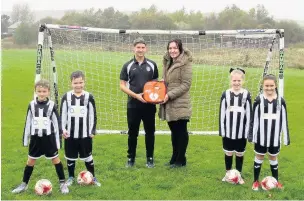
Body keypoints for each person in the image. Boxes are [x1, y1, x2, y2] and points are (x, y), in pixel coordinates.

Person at [12, 79, 69, 194]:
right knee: (30, 161)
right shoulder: (32, 105)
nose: (42, 93)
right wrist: (25, 140)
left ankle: (62, 183)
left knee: (56, 160)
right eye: (39, 91)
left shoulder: (52, 105)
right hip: (35, 140)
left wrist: (59, 140)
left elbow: (56, 122)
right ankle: (24, 184)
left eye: (44, 91)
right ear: (35, 91)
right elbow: (28, 122)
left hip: (49, 139)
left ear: (48, 92)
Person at [120, 37, 158, 168]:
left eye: (143, 47)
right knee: (132, 133)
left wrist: (154, 98)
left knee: (150, 132)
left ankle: (150, 159)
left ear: (146, 49)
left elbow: (155, 85)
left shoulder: (152, 65)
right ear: (134, 48)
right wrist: (136, 95)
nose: (140, 50)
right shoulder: (128, 65)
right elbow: (122, 85)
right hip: (133, 105)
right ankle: (131, 159)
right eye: (138, 47)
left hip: (149, 106)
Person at [248, 74, 290, 191]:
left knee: (273, 157)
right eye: (267, 85)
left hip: (274, 137)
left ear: (275, 85)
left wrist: (286, 138)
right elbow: (253, 119)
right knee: (259, 156)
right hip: (260, 137)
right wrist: (251, 135)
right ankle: (255, 181)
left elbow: (284, 121)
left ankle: (276, 181)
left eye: (271, 85)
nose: (269, 88)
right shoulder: (258, 100)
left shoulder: (281, 101)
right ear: (263, 85)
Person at [60, 71, 101, 186]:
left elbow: (93, 114)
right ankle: (71, 177)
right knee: (70, 157)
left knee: (87, 156)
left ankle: (92, 177)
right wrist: (62, 130)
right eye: (75, 83)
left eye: (80, 82)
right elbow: (62, 115)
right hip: (70, 134)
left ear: (84, 82)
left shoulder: (89, 97)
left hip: (85, 134)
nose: (78, 85)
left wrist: (92, 130)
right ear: (71, 83)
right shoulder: (66, 97)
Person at [159, 38, 192, 168]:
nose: (172, 50)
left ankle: (180, 160)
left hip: (180, 102)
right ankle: (174, 157)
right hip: (169, 102)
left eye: (175, 48)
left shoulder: (186, 63)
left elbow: (186, 85)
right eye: (170, 48)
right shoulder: (168, 62)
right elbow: (167, 80)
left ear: (180, 49)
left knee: (181, 131)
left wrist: (169, 95)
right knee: (173, 131)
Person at [219, 68, 252, 184]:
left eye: (239, 81)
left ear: (242, 81)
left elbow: (249, 113)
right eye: (234, 81)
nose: (237, 83)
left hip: (241, 132)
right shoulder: (226, 94)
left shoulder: (246, 94)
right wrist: (222, 130)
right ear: (231, 81)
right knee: (228, 153)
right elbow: (222, 112)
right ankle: (228, 174)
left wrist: (248, 131)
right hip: (228, 131)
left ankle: (238, 175)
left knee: (239, 153)